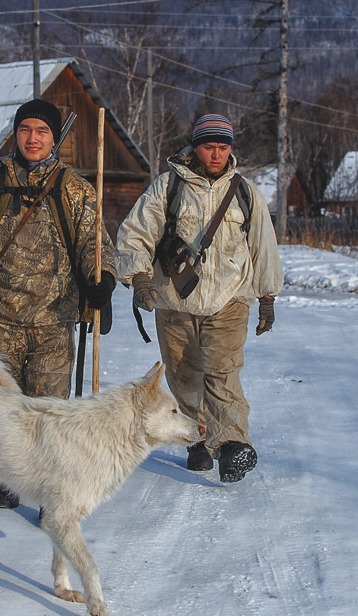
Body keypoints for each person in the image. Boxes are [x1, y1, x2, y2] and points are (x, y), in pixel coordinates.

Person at [0, 98, 117, 507]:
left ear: (54, 138)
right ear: (15, 134)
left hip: (54, 319)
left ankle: (50, 491)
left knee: (47, 410)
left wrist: (101, 283)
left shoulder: (74, 188)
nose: (32, 139)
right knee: (3, 409)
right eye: (25, 130)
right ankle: (8, 477)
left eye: (42, 132)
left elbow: (97, 246)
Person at [114, 114, 283, 483]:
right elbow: (137, 231)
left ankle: (233, 445)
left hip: (230, 299)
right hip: (174, 301)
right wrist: (139, 277)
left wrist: (267, 294)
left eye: (224, 147)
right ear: (195, 146)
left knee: (223, 375)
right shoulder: (168, 186)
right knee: (184, 377)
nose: (217, 154)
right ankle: (200, 439)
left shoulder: (244, 192)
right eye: (210, 146)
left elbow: (263, 245)